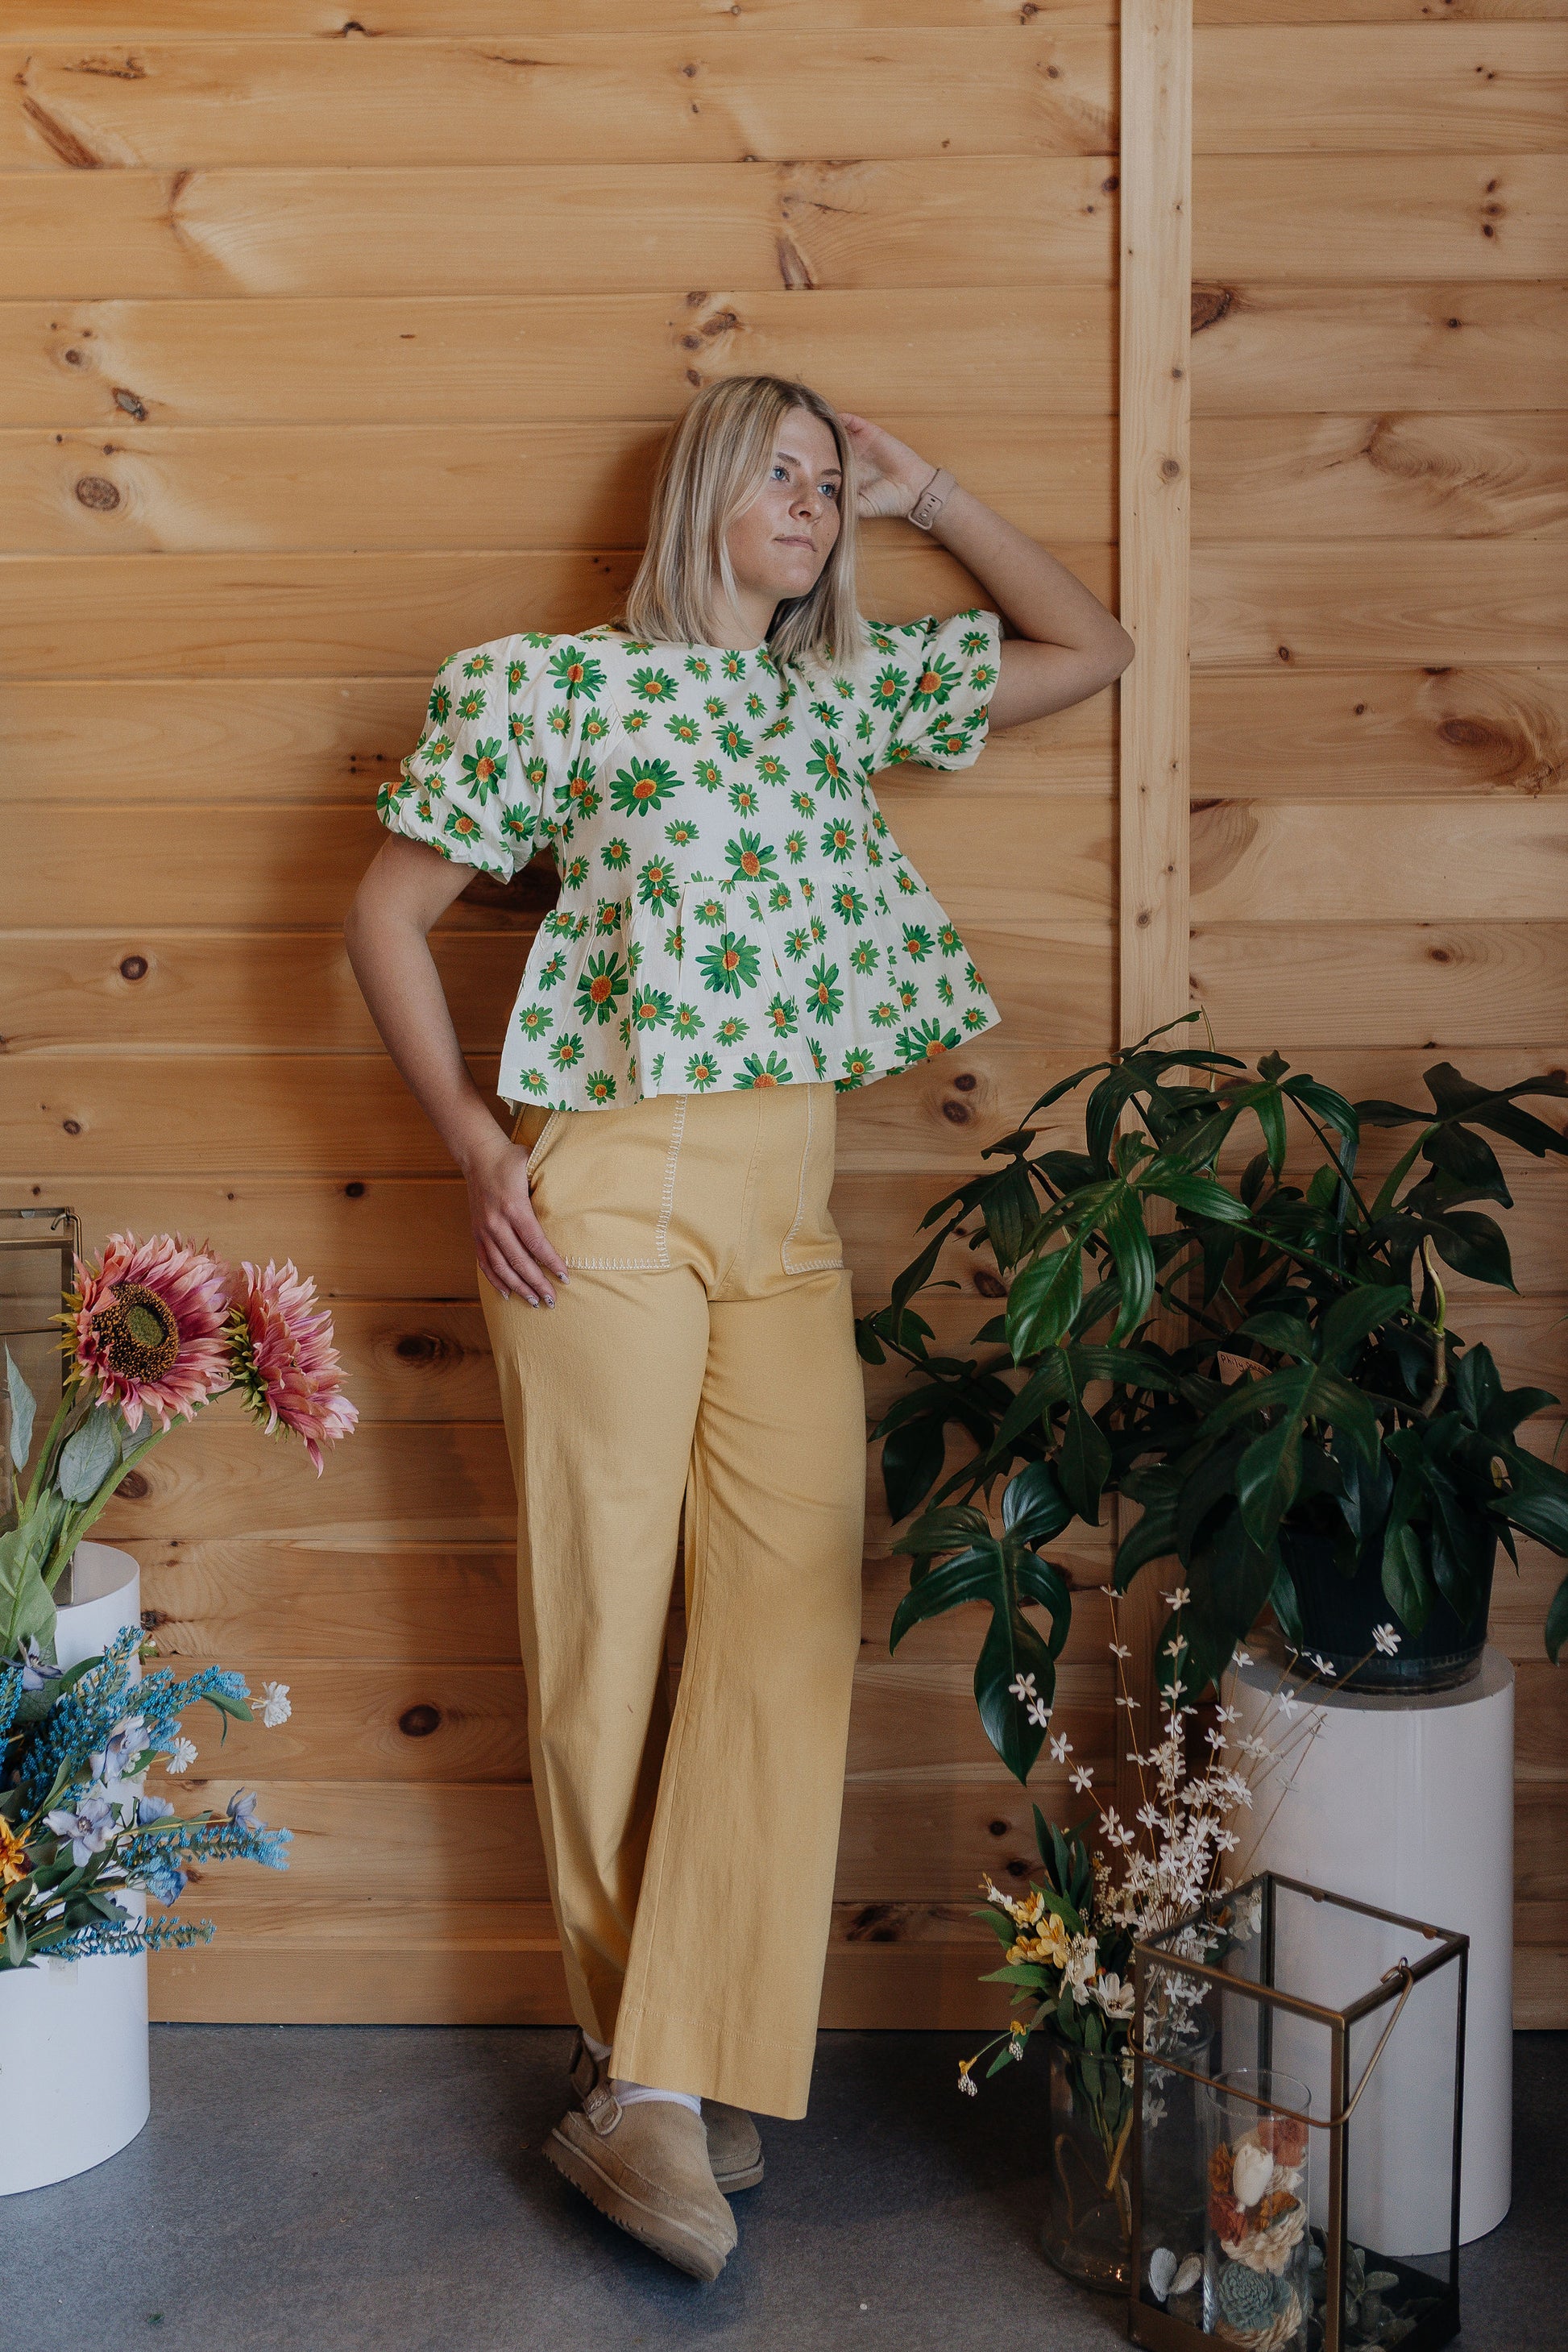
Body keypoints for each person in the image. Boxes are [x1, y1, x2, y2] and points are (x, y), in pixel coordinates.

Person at [343, 375, 1133, 2279]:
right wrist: (474, 1143)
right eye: (777, 473)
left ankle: (668, 2057)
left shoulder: (833, 694)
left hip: (786, 1216)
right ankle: (643, 2074)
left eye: (826, 483)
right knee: (605, 1626)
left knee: (784, 1618)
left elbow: (1089, 646)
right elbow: (382, 915)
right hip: (604, 1197)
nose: (810, 503)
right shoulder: (551, 688)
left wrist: (925, 484)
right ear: (699, 485)